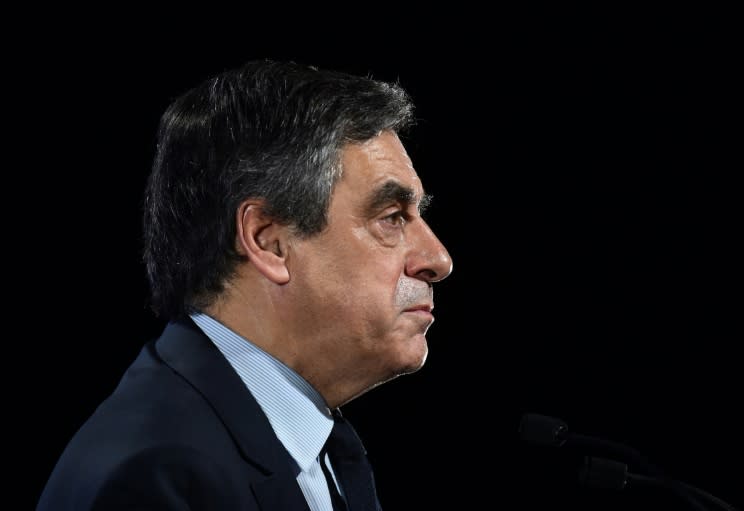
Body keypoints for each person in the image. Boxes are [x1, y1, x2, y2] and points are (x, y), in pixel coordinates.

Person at [36, 59, 453, 510]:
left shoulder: (316, 444)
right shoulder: (155, 477)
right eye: (391, 218)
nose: (439, 260)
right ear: (267, 241)